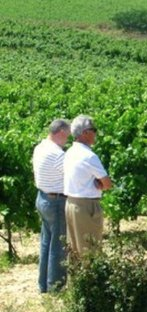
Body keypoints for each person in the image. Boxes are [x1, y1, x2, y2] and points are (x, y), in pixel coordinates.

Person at [63, 115, 112, 257]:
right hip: (87, 206)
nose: (95, 133)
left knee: (74, 251)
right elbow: (107, 183)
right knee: (90, 250)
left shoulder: (69, 152)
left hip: (71, 204)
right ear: (85, 133)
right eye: (93, 130)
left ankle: (76, 280)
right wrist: (100, 185)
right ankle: (91, 280)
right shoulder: (89, 156)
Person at [32, 119, 71, 293]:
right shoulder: (57, 154)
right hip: (55, 202)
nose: (68, 140)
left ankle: (43, 285)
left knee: (46, 242)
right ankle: (56, 287)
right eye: (67, 135)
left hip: (42, 198)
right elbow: (72, 176)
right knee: (58, 246)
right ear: (61, 132)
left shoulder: (40, 147)